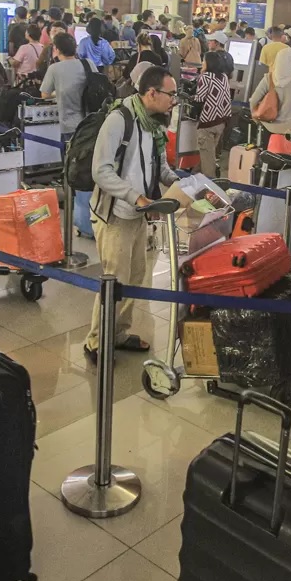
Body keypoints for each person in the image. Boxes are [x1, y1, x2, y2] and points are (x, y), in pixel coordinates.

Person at [85, 65, 181, 360]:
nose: (174, 100)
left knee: (136, 277)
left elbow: (160, 166)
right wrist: (134, 195)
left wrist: (180, 182)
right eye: (171, 94)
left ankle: (118, 333)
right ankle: (96, 341)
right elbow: (100, 171)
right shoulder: (119, 120)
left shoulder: (154, 123)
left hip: (140, 213)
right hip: (115, 215)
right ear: (151, 93)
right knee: (114, 280)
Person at [250, 36, 291, 150]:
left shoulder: (270, 77)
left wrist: (256, 116)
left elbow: (254, 100)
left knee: (271, 152)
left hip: (272, 124)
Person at [40, 32, 89, 138]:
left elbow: (45, 95)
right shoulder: (88, 64)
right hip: (91, 121)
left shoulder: (54, 68)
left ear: (57, 49)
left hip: (69, 124)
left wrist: (57, 92)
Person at [193, 49, 234, 178]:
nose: (202, 63)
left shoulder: (205, 77)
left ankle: (210, 184)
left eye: (204, 61)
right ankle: (195, 177)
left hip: (208, 123)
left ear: (209, 63)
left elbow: (199, 99)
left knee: (208, 161)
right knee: (208, 155)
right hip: (221, 121)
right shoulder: (224, 77)